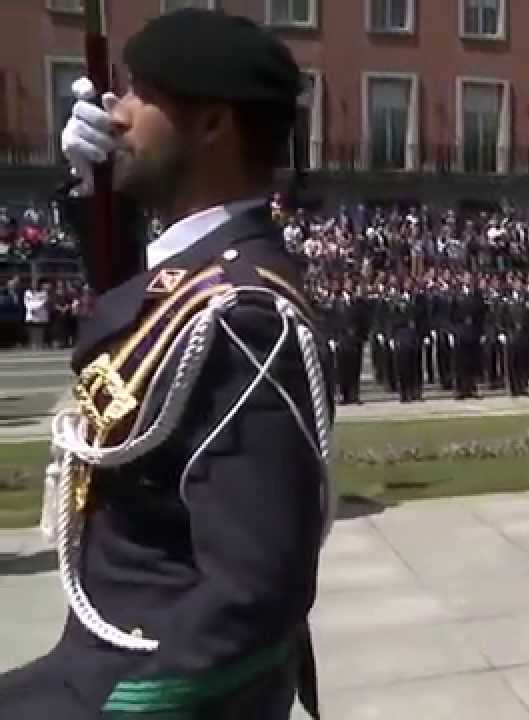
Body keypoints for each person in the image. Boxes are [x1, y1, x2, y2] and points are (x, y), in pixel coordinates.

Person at [0, 10, 334, 718]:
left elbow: (256, 589)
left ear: (212, 125)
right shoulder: (200, 275)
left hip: (151, 679)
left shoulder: (246, 317)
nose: (110, 112)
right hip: (102, 650)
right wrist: (96, 193)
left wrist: (134, 705)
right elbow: (129, 314)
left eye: (139, 93)